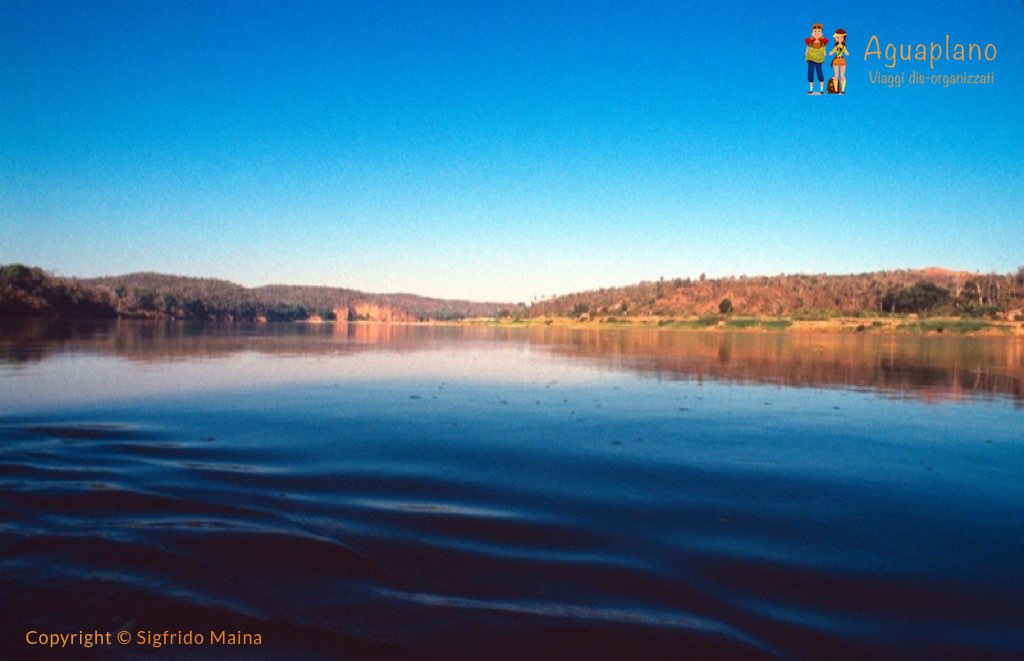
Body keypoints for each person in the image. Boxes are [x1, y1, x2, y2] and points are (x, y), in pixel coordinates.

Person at [805, 23, 829, 94]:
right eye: (815, 32)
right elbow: (807, 46)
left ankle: (821, 90)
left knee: (819, 73)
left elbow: (825, 45)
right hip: (811, 60)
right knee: (810, 74)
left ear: (821, 33)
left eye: (818, 32)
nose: (817, 34)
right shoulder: (810, 42)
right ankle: (811, 89)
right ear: (812, 33)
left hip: (819, 60)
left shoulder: (822, 43)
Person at [831, 29, 849, 94]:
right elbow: (831, 52)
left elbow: (847, 53)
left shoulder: (843, 46)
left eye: (841, 37)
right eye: (838, 37)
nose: (840, 39)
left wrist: (844, 50)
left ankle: (843, 90)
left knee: (842, 75)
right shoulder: (836, 46)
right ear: (835, 38)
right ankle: (836, 89)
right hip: (836, 60)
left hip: (841, 60)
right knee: (836, 75)